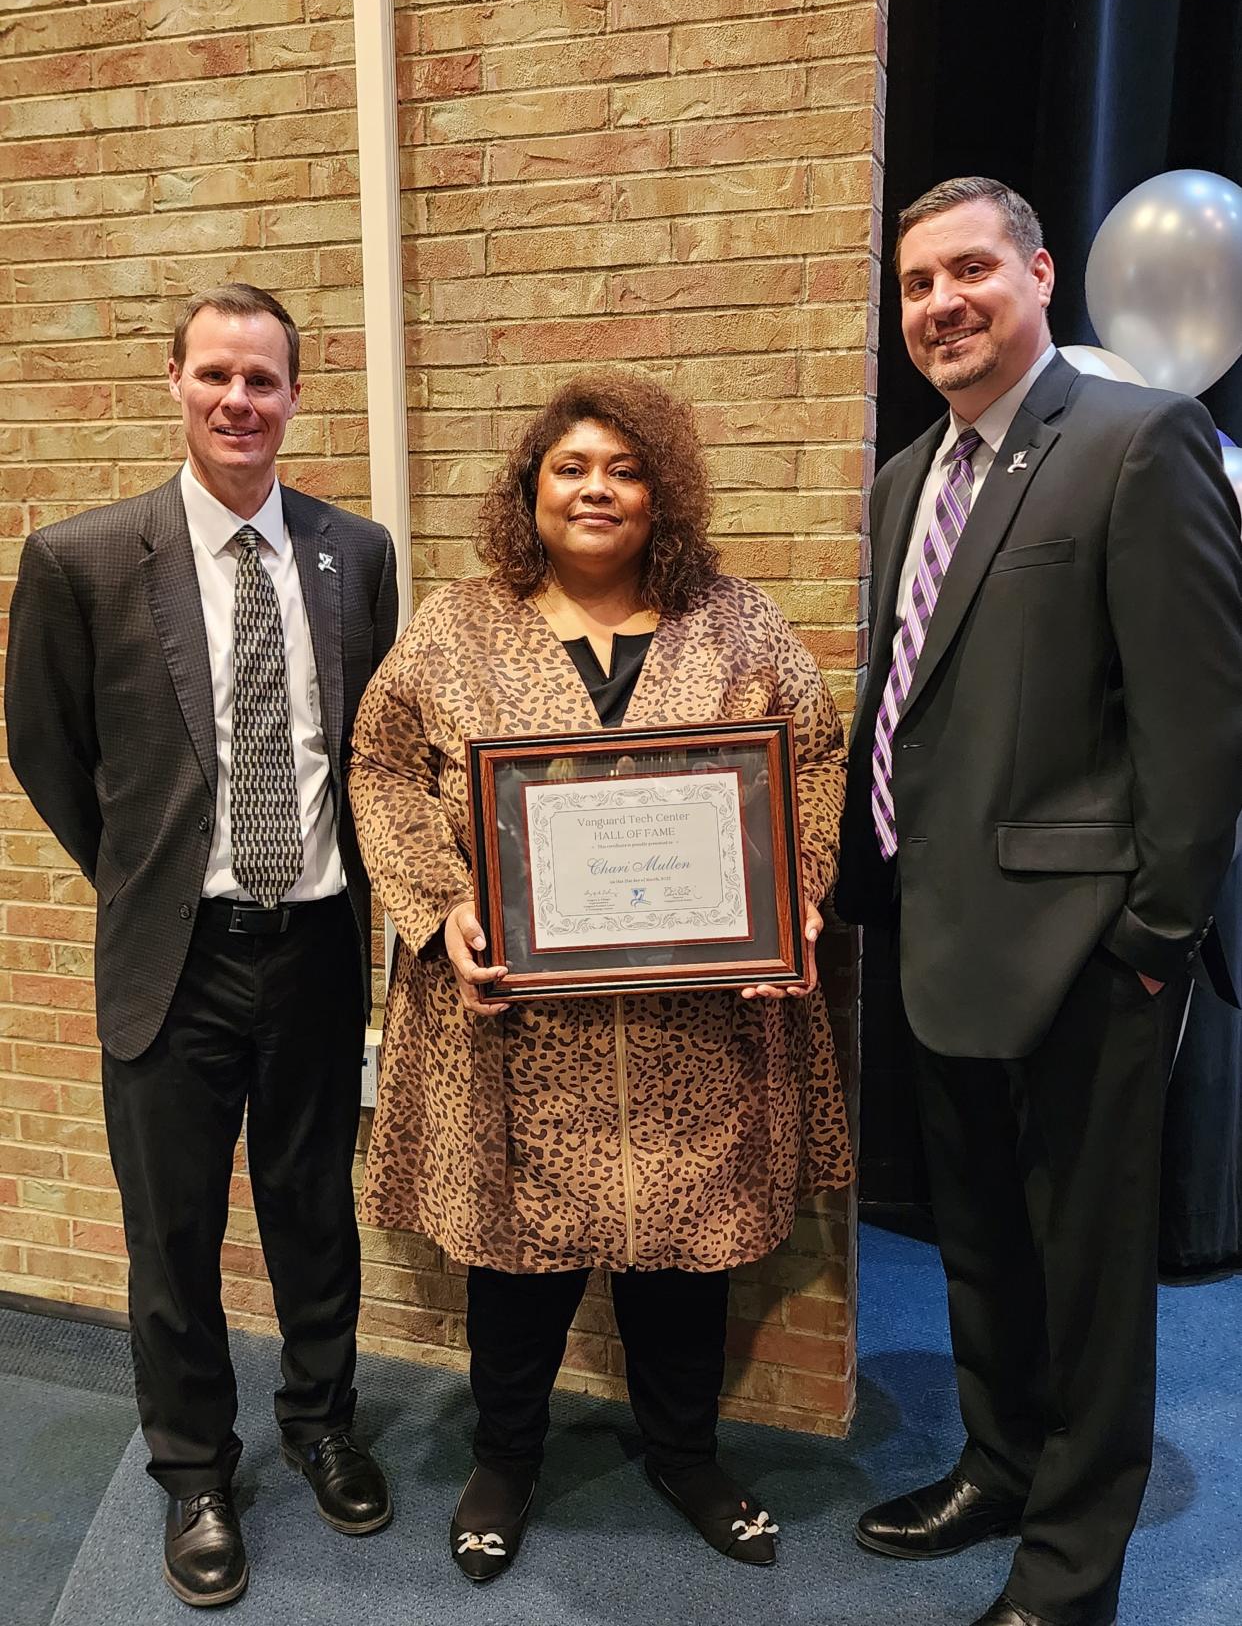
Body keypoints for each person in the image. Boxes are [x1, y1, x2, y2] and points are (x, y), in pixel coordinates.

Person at [350, 371, 852, 1583]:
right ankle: (506, 1459)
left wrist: (795, 895)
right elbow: (380, 769)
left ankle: (685, 1453)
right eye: (571, 466)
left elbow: (819, 757)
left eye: (624, 470)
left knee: (686, 1252)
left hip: (697, 1022)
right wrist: (441, 910)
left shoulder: (734, 622)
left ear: (660, 496)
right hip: (517, 1023)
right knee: (517, 1254)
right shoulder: (459, 626)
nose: (596, 489)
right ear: (531, 489)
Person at [836, 175, 1242, 1626]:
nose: (937, 305)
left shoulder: (1139, 443)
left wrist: (1149, 942)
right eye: (913, 287)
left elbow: (1198, 732)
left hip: (1086, 958)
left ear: (1040, 273)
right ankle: (995, 1468)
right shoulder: (904, 480)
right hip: (935, 936)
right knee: (980, 1246)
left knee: (1084, 1279)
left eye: (966, 272)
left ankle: (1072, 1567)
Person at [4, 285, 399, 1608]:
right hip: (173, 956)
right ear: (174, 381)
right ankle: (192, 1470)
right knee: (169, 1231)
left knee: (312, 1211)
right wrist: (146, 878)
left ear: (296, 395)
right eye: (217, 375)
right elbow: (48, 752)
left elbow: (380, 755)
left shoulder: (357, 556)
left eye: (265, 380)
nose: (241, 401)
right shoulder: (79, 559)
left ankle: (321, 1422)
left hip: (317, 946)